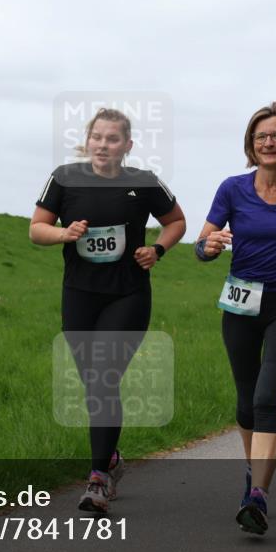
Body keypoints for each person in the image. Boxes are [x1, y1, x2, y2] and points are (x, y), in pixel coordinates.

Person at [29, 107, 186, 513]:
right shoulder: (64, 178)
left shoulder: (144, 182)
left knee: (102, 377)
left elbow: (177, 221)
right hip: (79, 294)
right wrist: (64, 233)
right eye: (97, 137)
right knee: (92, 384)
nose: (103, 145)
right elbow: (36, 229)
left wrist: (157, 249)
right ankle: (111, 458)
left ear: (127, 145)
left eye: (113, 139)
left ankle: (98, 478)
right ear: (88, 140)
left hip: (128, 294)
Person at [195, 102, 276, 535]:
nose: (269, 142)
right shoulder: (232, 189)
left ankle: (258, 497)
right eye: (261, 136)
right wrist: (208, 249)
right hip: (240, 305)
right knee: (246, 401)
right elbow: (203, 240)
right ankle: (254, 471)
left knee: (267, 397)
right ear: (251, 144)